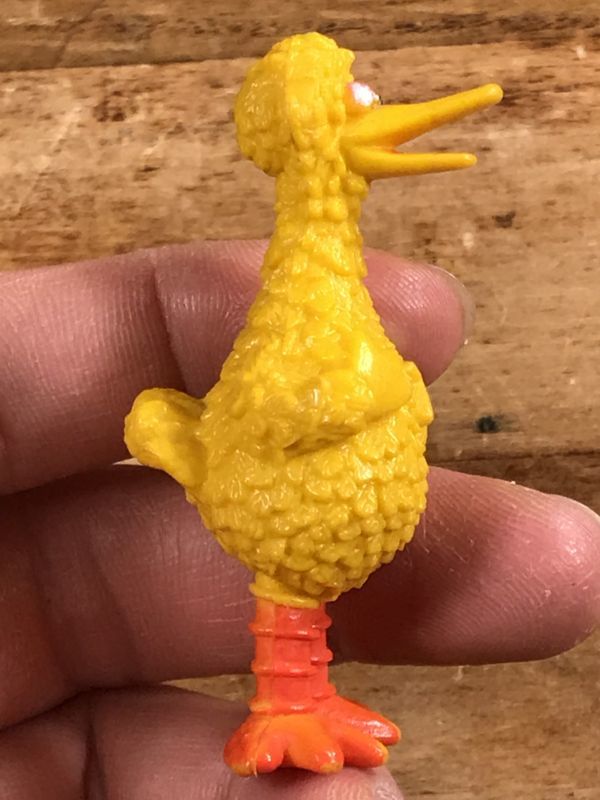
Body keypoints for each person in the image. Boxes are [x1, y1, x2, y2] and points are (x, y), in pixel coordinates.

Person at [0, 240, 598, 799]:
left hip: (291, 482)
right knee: (290, 575)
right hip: (255, 490)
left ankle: (299, 699)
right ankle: (286, 704)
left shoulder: (348, 332)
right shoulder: (294, 338)